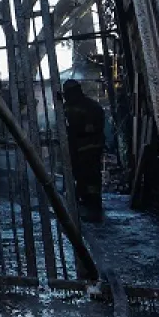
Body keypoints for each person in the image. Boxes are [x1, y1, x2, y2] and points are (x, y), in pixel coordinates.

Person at [62, 79, 107, 223]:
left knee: (90, 177)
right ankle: (86, 202)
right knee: (81, 176)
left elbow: (90, 128)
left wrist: (73, 131)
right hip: (78, 148)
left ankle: (93, 206)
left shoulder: (91, 107)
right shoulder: (70, 106)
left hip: (89, 147)